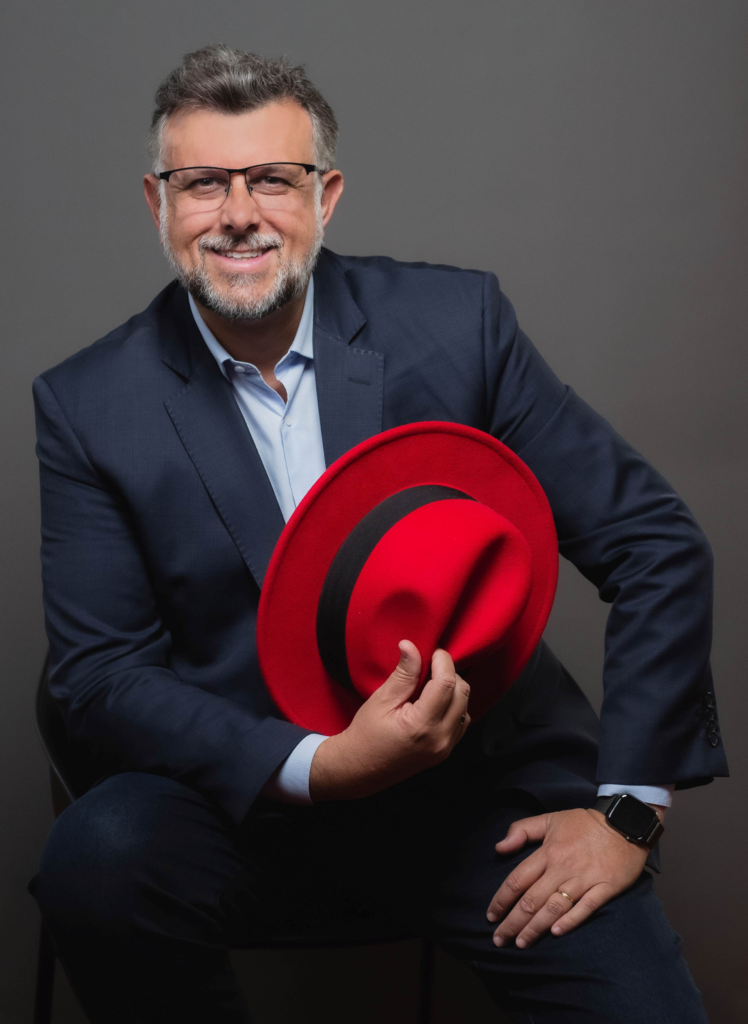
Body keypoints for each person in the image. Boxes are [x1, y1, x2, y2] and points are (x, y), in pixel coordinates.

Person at [30, 45, 727, 1023]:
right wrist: (322, 767)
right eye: (204, 184)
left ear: (327, 195)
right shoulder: (88, 404)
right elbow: (101, 677)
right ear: (159, 204)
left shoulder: (456, 324)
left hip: (478, 802)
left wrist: (629, 810)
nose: (238, 213)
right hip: (250, 806)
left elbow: (652, 540)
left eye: (274, 178)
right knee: (96, 858)